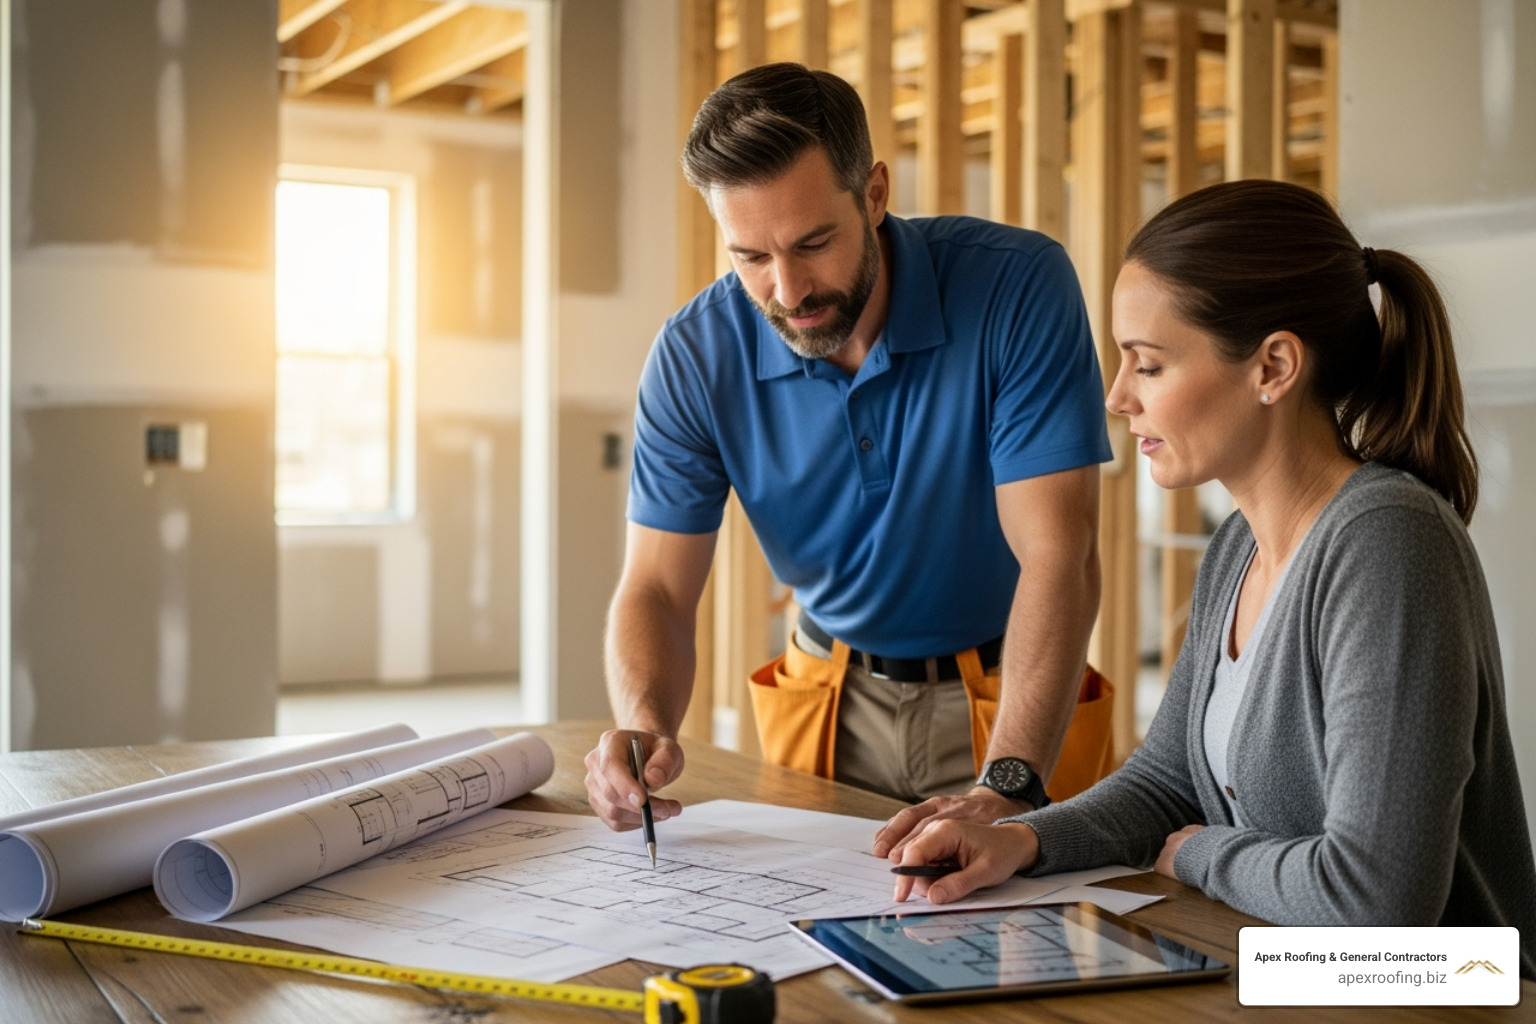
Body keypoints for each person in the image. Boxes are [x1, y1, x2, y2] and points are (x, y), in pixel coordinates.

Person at [888, 179, 1536, 980]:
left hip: (1431, 998)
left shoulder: (1386, 543)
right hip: (1285, 981)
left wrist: (1202, 855)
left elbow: (1379, 901)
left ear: (1273, 366)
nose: (1118, 397)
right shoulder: (1239, 544)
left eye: (1148, 365)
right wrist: (1022, 838)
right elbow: (1167, 784)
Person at [583, 62, 1114, 846]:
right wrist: (644, 725)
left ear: (873, 193)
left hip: (1010, 694)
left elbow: (1058, 555)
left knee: (1027, 946)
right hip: (826, 692)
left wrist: (1007, 783)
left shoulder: (1016, 286)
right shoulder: (694, 353)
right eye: (751, 258)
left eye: (813, 243)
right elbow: (658, 588)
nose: (788, 291)